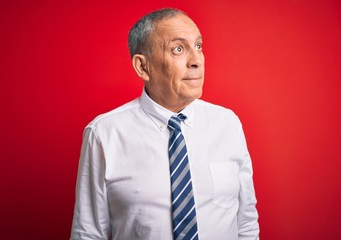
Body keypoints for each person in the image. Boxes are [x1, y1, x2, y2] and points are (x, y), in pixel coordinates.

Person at [70, 8, 259, 240]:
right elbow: (88, 234)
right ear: (143, 66)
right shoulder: (103, 134)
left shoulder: (228, 124)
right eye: (178, 49)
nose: (197, 60)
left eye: (198, 46)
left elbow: (247, 223)